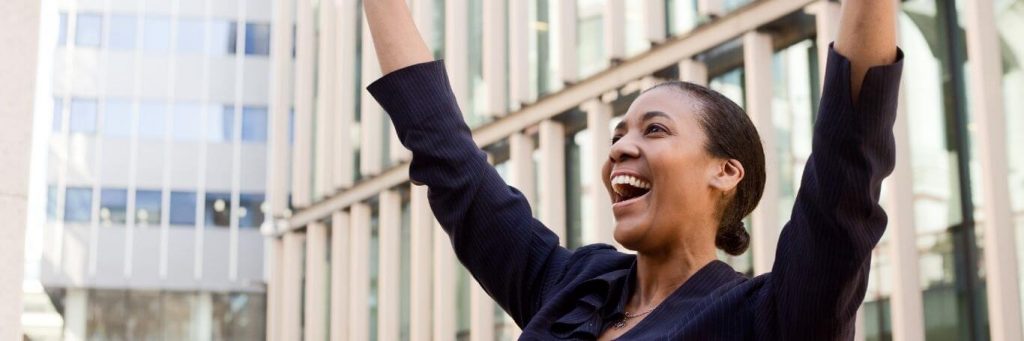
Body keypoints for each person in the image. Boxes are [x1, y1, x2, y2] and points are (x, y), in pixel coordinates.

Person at [364, 0, 903, 339]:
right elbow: (449, 160)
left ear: (726, 172)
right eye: (617, 134)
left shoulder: (771, 318)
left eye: (655, 129)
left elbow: (847, 158)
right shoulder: (571, 286)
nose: (620, 147)